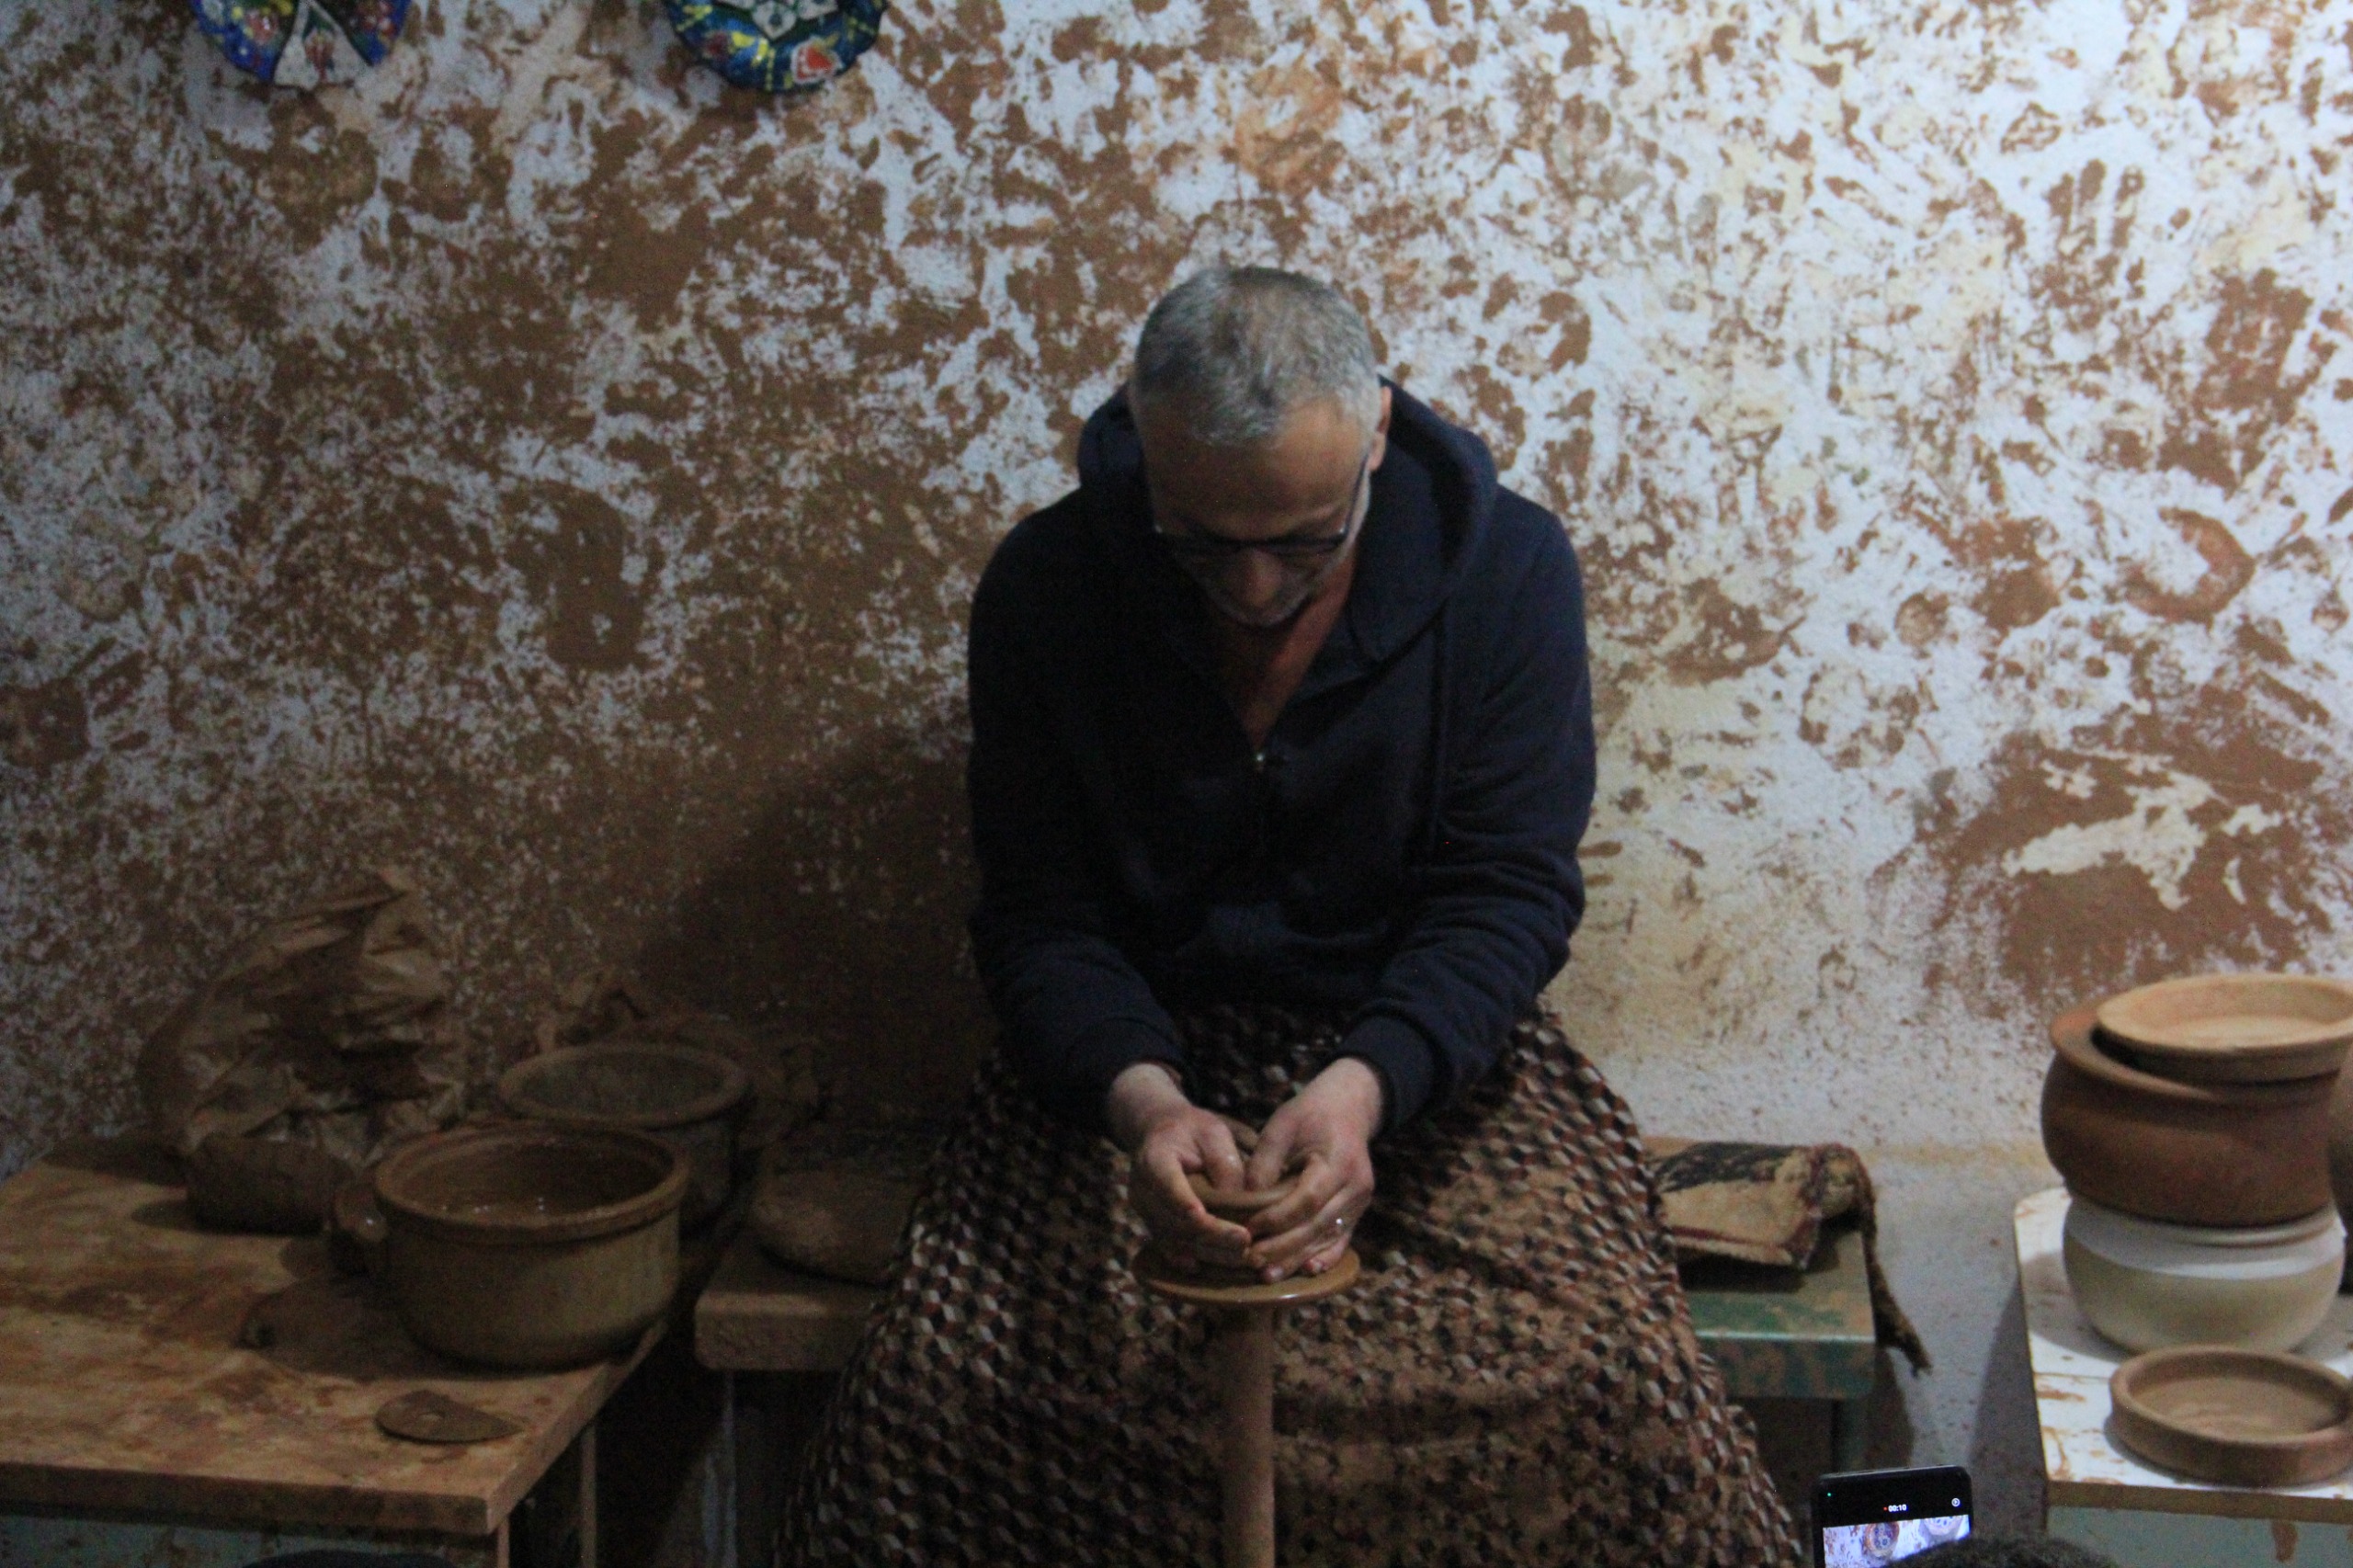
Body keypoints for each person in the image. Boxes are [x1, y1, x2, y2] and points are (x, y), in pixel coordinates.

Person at [780, 266, 1798, 1564]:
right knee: (943, 1391)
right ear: (1145, 456)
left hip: (1417, 1049)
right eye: (1203, 541)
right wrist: (1144, 1105)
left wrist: (1368, 1088)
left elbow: (1506, 891)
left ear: (1377, 435)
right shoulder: (1049, 586)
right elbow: (1040, 914)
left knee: (1612, 1388)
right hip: (1127, 1057)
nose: (1257, 588)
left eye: (1308, 540)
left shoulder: (1506, 570)